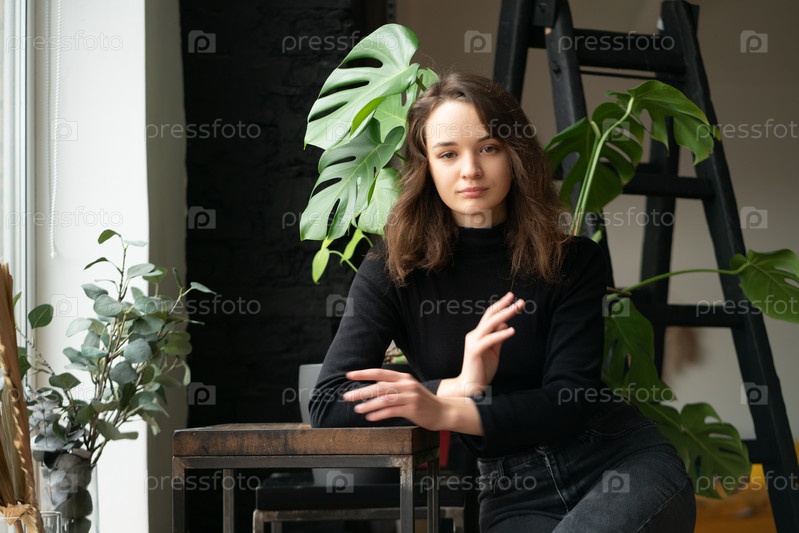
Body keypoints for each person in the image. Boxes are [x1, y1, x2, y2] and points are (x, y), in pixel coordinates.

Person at [309, 72, 696, 532]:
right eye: (448, 154)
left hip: (617, 464)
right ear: (426, 166)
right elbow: (328, 403)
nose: (470, 169)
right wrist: (454, 386)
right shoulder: (393, 270)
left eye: (488, 148)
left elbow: (568, 400)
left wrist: (443, 411)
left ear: (515, 154)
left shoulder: (571, 260)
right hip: (513, 492)